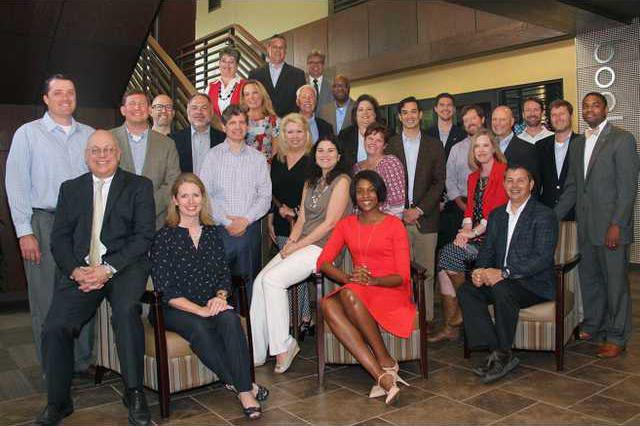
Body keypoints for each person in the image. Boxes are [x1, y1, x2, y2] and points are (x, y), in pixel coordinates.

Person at [36, 130, 155, 426]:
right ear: (86, 156)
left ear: (118, 153)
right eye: (95, 150)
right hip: (82, 269)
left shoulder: (139, 186)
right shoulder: (70, 189)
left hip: (124, 267)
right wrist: (76, 271)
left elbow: (143, 237)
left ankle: (134, 392)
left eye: (108, 150)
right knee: (55, 326)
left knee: (126, 312)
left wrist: (107, 268)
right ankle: (58, 402)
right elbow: (59, 239)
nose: (102, 156)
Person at [150, 173, 269, 420]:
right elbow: (166, 288)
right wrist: (200, 310)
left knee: (230, 319)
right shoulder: (163, 237)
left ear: (203, 199)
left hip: (209, 302)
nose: (190, 201)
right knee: (200, 326)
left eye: (196, 195)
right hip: (172, 309)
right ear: (175, 200)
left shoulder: (213, 233)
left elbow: (223, 274)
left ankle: (242, 386)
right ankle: (245, 390)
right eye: (184, 196)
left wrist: (221, 297)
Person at [6, 74, 95, 376]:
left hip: (82, 225)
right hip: (42, 222)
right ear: (46, 98)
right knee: (46, 298)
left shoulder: (89, 135)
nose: (65, 98)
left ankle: (82, 361)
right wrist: (24, 232)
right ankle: (53, 366)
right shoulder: (28, 134)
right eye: (58, 93)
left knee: (83, 291)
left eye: (70, 92)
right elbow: (16, 184)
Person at [251, 136, 351, 372]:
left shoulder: (343, 181)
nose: (324, 154)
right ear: (314, 155)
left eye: (330, 150)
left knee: (273, 281)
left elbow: (330, 223)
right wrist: (290, 242)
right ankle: (257, 351)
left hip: (324, 247)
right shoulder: (310, 182)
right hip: (304, 242)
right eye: (320, 150)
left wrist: (298, 245)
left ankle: (284, 347)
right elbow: (303, 219)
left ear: (339, 156)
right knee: (259, 282)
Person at [318, 170, 414, 405]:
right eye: (360, 191)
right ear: (354, 196)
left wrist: (374, 281)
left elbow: (402, 276)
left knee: (349, 294)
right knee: (327, 303)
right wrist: (347, 278)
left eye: (371, 190)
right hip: (359, 287)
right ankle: (382, 375)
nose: (365, 195)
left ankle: (385, 360)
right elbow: (323, 262)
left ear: (379, 193)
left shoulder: (394, 225)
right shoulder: (346, 224)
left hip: (390, 289)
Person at [555, 92, 640, 358]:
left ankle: (617, 335)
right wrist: (551, 217)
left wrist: (617, 225)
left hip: (611, 229)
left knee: (615, 284)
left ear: (605, 109)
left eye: (595, 105)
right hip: (586, 228)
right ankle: (594, 323)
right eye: (586, 106)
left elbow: (628, 189)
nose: (590, 109)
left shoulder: (622, 139)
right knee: (590, 280)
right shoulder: (578, 144)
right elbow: (573, 187)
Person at [459, 165, 558, 383]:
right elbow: (487, 251)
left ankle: (500, 355)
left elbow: (541, 258)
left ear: (531, 185)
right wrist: (479, 271)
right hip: (500, 280)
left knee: (502, 289)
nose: (515, 185)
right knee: (467, 290)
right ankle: (499, 352)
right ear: (504, 184)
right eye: (510, 180)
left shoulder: (545, 215)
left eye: (520, 180)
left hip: (533, 284)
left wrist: (505, 272)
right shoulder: (497, 215)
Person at [430, 129, 508, 342]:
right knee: (444, 264)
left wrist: (470, 233)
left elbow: (494, 213)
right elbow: (469, 211)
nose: (481, 150)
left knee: (450, 255)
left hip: (495, 238)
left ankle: (466, 306)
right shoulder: (474, 177)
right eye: (476, 146)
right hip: (476, 234)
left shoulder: (503, 172)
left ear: (493, 148)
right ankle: (451, 327)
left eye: (485, 145)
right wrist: (464, 231)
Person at [199, 105, 271, 298]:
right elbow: (204, 195)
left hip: (250, 229)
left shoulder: (258, 159)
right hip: (219, 229)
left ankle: (246, 318)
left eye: (241, 122)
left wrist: (245, 220)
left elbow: (265, 196)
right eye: (232, 123)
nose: (237, 127)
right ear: (224, 127)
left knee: (248, 287)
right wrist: (227, 222)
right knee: (218, 286)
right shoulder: (212, 157)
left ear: (247, 126)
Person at [386, 97, 445, 300]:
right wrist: (400, 211)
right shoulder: (390, 145)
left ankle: (426, 317)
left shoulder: (434, 145)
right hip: (397, 219)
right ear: (399, 117)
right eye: (405, 112)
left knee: (426, 274)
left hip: (425, 220)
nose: (409, 116)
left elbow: (439, 182)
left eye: (413, 111)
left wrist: (418, 210)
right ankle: (407, 316)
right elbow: (386, 183)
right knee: (400, 275)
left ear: (420, 115)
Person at [267, 113, 314, 336]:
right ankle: (302, 317)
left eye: (299, 131)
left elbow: (314, 196)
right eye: (290, 132)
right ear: (283, 135)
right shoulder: (277, 160)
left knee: (295, 269)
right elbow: (272, 193)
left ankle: (301, 317)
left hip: (304, 223)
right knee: (288, 268)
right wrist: (270, 218)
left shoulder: (313, 161)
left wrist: (295, 211)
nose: (294, 136)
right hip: (280, 222)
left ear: (306, 134)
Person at [111, 89, 181, 229]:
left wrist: (147, 206)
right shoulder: (108, 139)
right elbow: (101, 176)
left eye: (142, 104)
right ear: (123, 110)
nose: (137, 107)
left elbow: (173, 181)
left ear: (149, 110)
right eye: (132, 103)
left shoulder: (167, 144)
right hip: (116, 220)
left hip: (155, 222)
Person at [439, 104, 485, 248]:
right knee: (460, 248)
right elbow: (449, 179)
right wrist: (461, 204)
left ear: (482, 119)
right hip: (461, 206)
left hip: (490, 205)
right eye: (466, 120)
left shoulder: (494, 145)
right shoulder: (456, 149)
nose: (470, 123)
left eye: (473, 118)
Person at [535, 99, 578, 219]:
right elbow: (536, 183)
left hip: (576, 214)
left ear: (571, 116)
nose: (558, 118)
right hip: (546, 214)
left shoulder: (583, 143)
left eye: (562, 114)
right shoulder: (540, 146)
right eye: (554, 115)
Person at [354, 122, 406, 218]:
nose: (373, 143)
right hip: (360, 222)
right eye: (370, 138)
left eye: (378, 140)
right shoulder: (357, 168)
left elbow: (398, 206)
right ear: (364, 140)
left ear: (385, 145)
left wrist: (379, 223)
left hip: (384, 222)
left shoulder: (390, 163)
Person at [248, 34, 306, 117]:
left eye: (281, 47)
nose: (278, 50)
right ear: (268, 49)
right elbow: (250, 100)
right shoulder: (254, 74)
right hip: (262, 121)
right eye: (275, 47)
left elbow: (300, 102)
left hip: (289, 122)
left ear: (285, 51)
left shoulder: (298, 74)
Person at [170, 93, 225, 174]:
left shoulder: (224, 140)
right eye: (194, 108)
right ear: (188, 112)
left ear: (211, 112)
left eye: (204, 108)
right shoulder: (173, 140)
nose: (199, 112)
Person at [491, 105, 539, 192]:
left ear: (512, 121)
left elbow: (534, 186)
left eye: (502, 119)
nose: (497, 123)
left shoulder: (528, 149)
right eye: (494, 119)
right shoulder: (487, 148)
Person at [338, 94, 381, 170]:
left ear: (375, 114)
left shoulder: (387, 134)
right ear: (355, 115)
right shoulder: (345, 135)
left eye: (369, 109)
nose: (365, 113)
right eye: (360, 110)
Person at [240, 79, 281, 161]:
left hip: (266, 167)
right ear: (244, 99)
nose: (251, 97)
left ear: (262, 95)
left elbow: (275, 155)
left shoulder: (275, 121)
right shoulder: (239, 120)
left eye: (255, 92)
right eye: (247, 94)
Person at [426, 92, 466, 160]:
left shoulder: (463, 135)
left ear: (454, 109)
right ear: (435, 109)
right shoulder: (426, 134)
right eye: (442, 105)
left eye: (449, 105)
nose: (445, 108)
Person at [207, 46, 246, 118]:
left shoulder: (245, 85)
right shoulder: (210, 86)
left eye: (231, 62)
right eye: (223, 61)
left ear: (237, 65)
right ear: (219, 63)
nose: (227, 65)